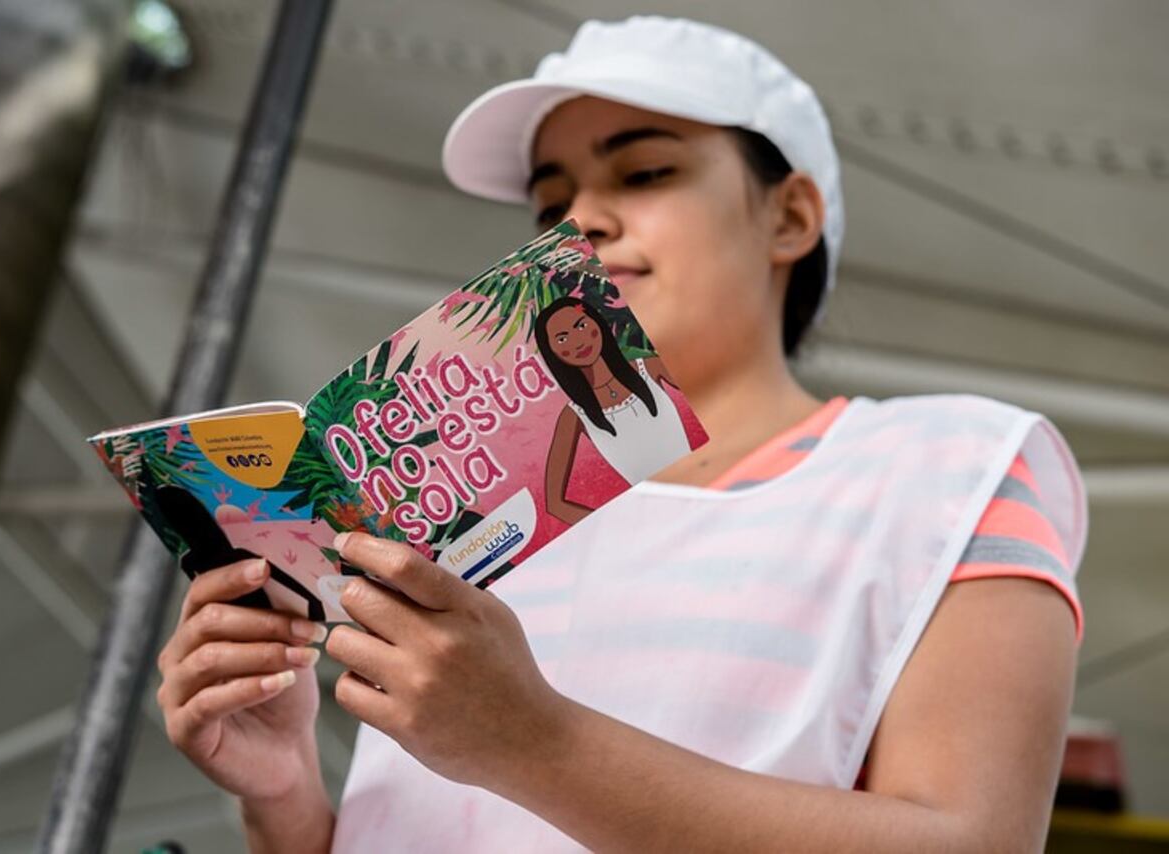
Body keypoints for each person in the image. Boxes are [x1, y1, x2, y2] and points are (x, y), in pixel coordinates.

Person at [153, 16, 1086, 852]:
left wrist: (535, 743)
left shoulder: (957, 465)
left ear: (791, 215)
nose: (581, 220)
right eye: (549, 201)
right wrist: (285, 801)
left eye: (645, 172)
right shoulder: (465, 515)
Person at [534, 295, 690, 522]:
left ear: (598, 323)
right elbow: (554, 504)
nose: (578, 341)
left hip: (718, 482)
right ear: (552, 353)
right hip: (663, 518)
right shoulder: (574, 416)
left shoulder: (651, 367)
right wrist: (619, 527)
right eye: (562, 338)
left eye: (581, 325)